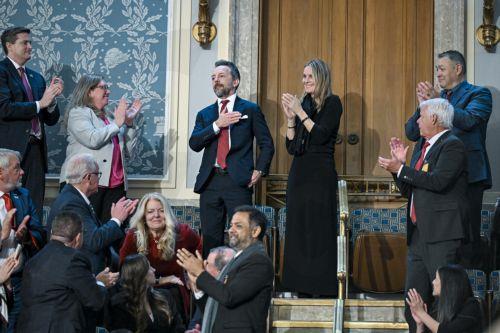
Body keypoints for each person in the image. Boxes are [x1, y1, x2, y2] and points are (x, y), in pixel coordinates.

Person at [378, 98, 469, 333]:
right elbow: (411, 191)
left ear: (435, 119)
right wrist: (400, 167)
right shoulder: (422, 147)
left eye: (421, 115)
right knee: (413, 299)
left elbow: (438, 182)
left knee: (444, 301)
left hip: (442, 234)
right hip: (418, 236)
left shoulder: (453, 145)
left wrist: (401, 169)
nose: (417, 121)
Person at [405, 50, 492, 264]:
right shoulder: (437, 98)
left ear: (458, 69)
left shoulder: (479, 94)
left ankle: (464, 290)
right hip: (432, 178)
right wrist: (422, 105)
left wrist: (437, 102)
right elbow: (411, 132)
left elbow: (470, 120)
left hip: (468, 178)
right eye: (437, 69)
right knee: (435, 239)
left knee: (465, 237)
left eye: (442, 68)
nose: (438, 74)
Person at [189, 60, 274, 257]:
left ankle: (241, 282)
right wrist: (217, 125)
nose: (216, 81)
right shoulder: (205, 114)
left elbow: (267, 144)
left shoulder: (250, 110)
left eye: (221, 76)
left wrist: (259, 170)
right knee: (211, 237)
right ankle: (212, 283)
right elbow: (194, 144)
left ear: (235, 81)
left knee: (242, 237)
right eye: (213, 78)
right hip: (210, 182)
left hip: (238, 181)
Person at [280, 58, 343, 296]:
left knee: (319, 230)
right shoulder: (304, 102)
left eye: (310, 76)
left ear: (321, 78)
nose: (305, 81)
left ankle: (322, 287)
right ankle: (300, 286)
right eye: (303, 76)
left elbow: (319, 136)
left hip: (320, 175)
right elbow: (292, 147)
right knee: (299, 229)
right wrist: (289, 119)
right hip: (299, 174)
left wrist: (299, 113)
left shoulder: (332, 103)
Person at [177, 205, 274, 333]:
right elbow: (218, 304)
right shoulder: (239, 258)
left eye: (238, 226)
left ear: (255, 231)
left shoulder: (258, 261)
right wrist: (198, 287)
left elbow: (230, 296)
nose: (231, 230)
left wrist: (200, 273)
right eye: (231, 225)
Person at [17, 211, 117, 333]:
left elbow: (60, 289)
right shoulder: (74, 259)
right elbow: (95, 301)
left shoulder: (33, 260)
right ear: (79, 237)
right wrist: (100, 284)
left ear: (52, 233)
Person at [60, 74, 141, 223]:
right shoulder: (78, 113)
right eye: (103, 87)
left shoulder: (110, 116)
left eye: (107, 88)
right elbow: (92, 139)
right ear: (89, 91)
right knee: (87, 231)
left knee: (113, 231)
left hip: (116, 185)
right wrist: (117, 124)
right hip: (87, 183)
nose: (108, 91)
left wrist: (128, 123)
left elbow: (128, 152)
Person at [0, 26, 63, 216]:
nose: (29, 46)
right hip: (9, 150)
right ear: (9, 45)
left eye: (30, 42)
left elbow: (51, 119)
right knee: (7, 203)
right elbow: (4, 108)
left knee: (33, 204)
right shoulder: (2, 72)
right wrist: (39, 103)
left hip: (35, 149)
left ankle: (32, 243)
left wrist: (51, 101)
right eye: (24, 42)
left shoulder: (37, 78)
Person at [47, 153, 137, 274]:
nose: (99, 179)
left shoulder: (73, 197)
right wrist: (116, 220)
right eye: (97, 174)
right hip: (83, 274)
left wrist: (114, 219)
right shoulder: (72, 203)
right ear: (88, 177)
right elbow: (93, 242)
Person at [119, 192, 201, 320]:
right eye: (150, 211)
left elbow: (200, 247)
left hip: (175, 287)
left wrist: (193, 273)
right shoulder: (133, 236)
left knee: (172, 292)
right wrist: (159, 280)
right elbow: (125, 268)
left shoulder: (182, 232)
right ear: (143, 216)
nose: (156, 215)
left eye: (161, 211)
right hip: (144, 288)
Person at [0, 148, 45, 332]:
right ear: (1, 173)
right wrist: (2, 236)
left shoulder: (23, 195)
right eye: (17, 168)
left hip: (19, 281)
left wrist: (26, 236)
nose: (23, 172)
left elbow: (40, 234)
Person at [105, 253, 185, 333]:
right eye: (149, 267)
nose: (154, 270)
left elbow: (179, 328)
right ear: (140, 274)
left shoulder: (165, 296)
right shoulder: (119, 306)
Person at [406, 265, 482, 333]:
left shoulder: (471, 305)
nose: (433, 282)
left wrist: (422, 313)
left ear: (448, 284)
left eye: (436, 279)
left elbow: (447, 331)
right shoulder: (437, 307)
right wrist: (420, 325)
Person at [186, 246, 236, 332]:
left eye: (207, 264)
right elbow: (196, 321)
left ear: (221, 271)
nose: (203, 267)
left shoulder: (234, 293)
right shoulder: (208, 289)